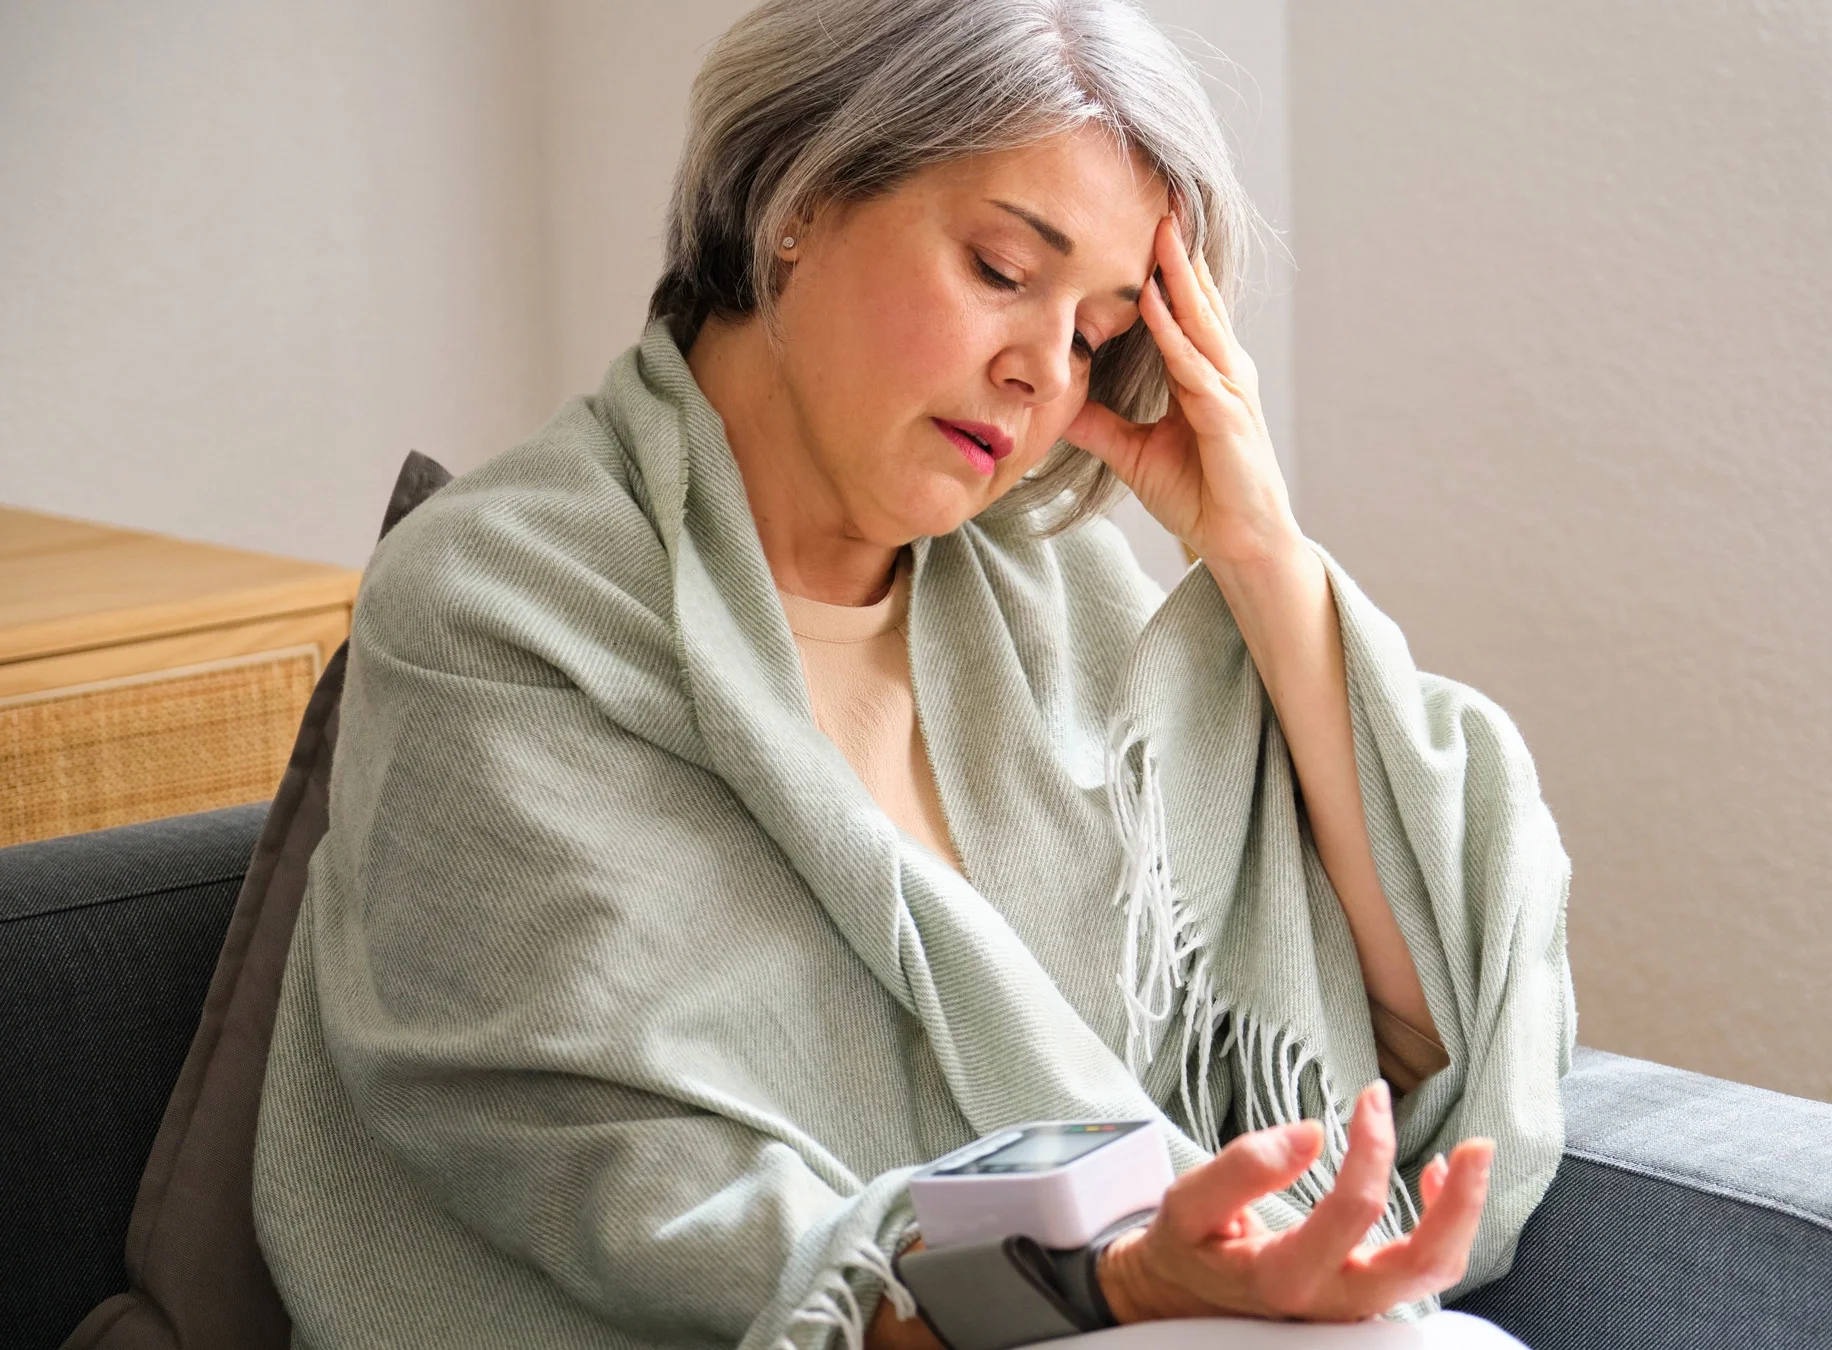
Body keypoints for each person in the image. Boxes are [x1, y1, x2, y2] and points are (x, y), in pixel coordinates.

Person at [251, 2, 1576, 1348]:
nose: (1039, 373)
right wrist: (1105, 1284)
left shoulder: (1067, 609)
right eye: (1004, 269)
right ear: (799, 202)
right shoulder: (502, 608)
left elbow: (1424, 1040)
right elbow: (621, 1174)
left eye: (1096, 330)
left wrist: (1259, 556)